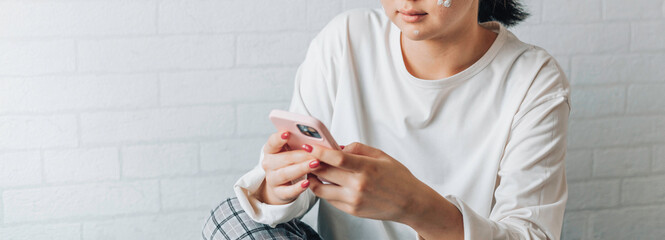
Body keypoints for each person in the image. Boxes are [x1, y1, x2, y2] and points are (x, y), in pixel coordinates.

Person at [203, 0, 570, 239]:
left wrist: (413, 205)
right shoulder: (346, 40)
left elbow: (531, 234)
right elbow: (283, 202)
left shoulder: (534, 81)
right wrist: (278, 186)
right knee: (231, 219)